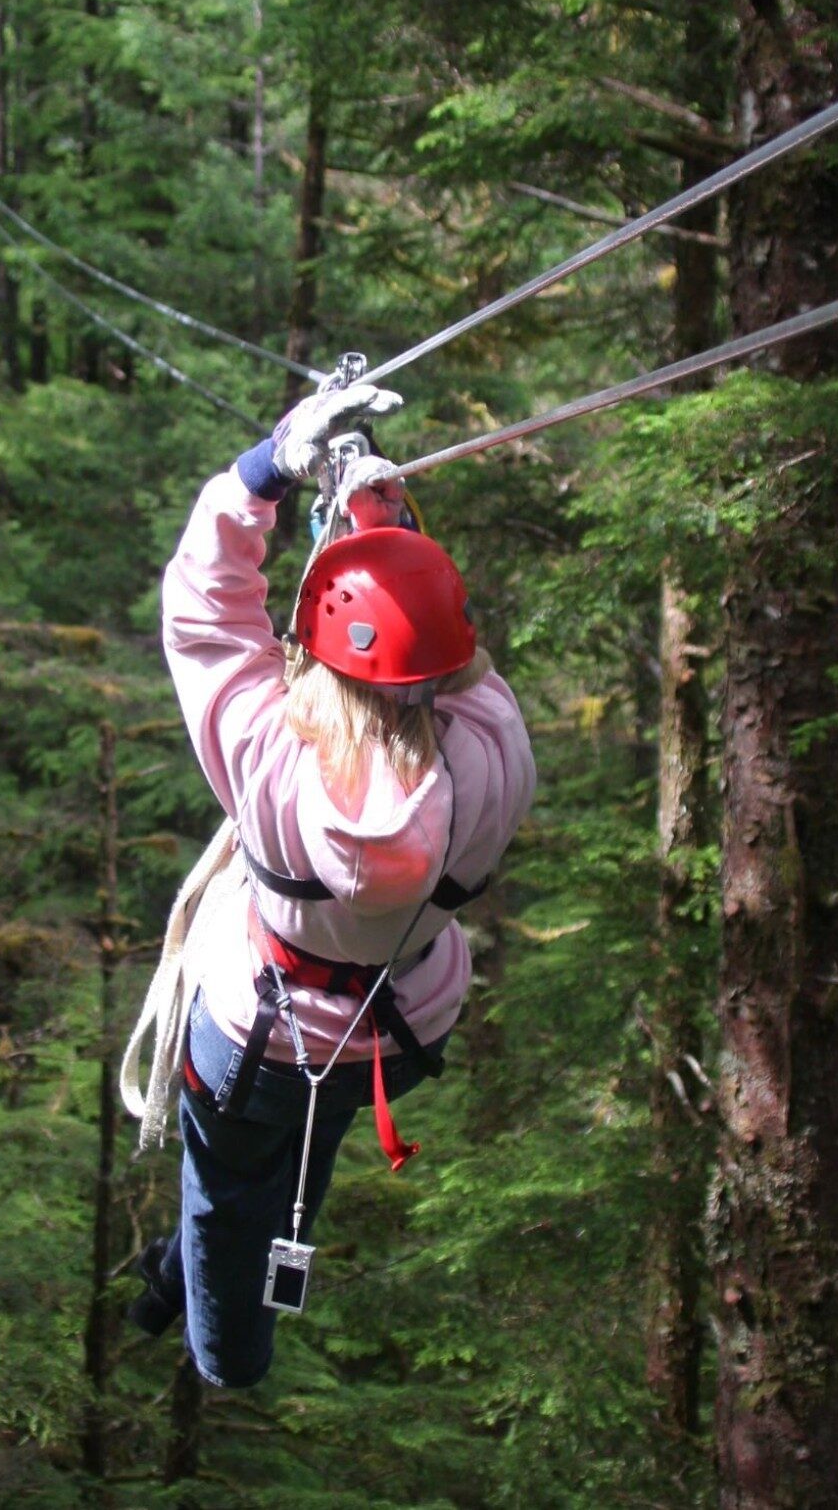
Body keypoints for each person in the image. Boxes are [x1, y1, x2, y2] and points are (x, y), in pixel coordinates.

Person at [128, 383, 536, 1389]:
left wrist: (265, 469)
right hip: (390, 1034)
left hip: (256, 1030)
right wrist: (385, 524)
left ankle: (225, 1353)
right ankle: (183, 1271)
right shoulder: (493, 762)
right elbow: (460, 666)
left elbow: (204, 606)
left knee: (227, 1190)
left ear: (317, 648)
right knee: (302, 1136)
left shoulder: (270, 758)